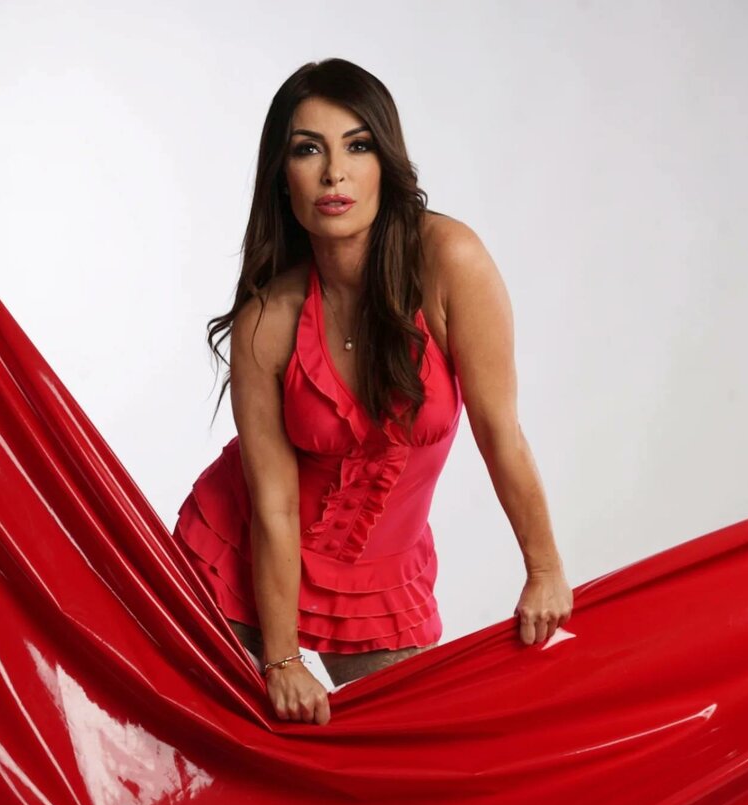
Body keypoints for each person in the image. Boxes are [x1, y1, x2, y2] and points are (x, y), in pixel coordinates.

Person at [173, 58, 573, 727]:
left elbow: (499, 431)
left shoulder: (449, 261)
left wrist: (544, 569)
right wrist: (281, 660)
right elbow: (273, 506)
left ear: (385, 161)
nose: (335, 173)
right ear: (282, 175)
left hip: (382, 587)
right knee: (210, 749)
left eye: (357, 146)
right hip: (242, 558)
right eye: (308, 150)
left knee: (417, 756)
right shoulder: (266, 320)